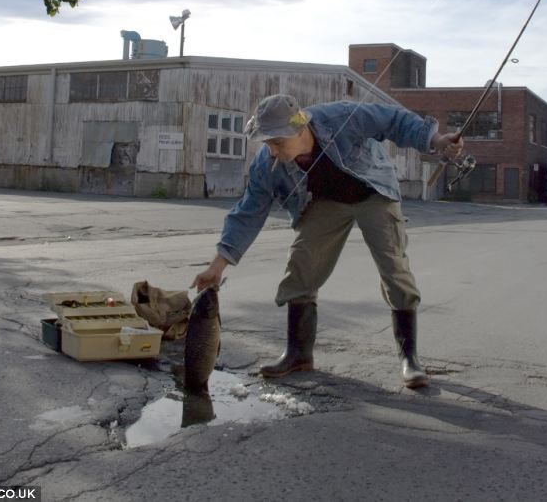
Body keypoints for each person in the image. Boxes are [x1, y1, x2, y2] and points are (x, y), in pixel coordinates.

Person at [192, 94, 463, 388]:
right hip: (324, 202)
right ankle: (298, 354)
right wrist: (217, 266)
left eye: (278, 142)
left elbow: (392, 120)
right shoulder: (266, 164)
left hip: (372, 191)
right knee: (302, 265)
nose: (272, 151)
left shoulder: (339, 118)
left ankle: (409, 358)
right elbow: (247, 212)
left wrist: (434, 140)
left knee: (394, 267)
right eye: (266, 143)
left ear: (301, 128)